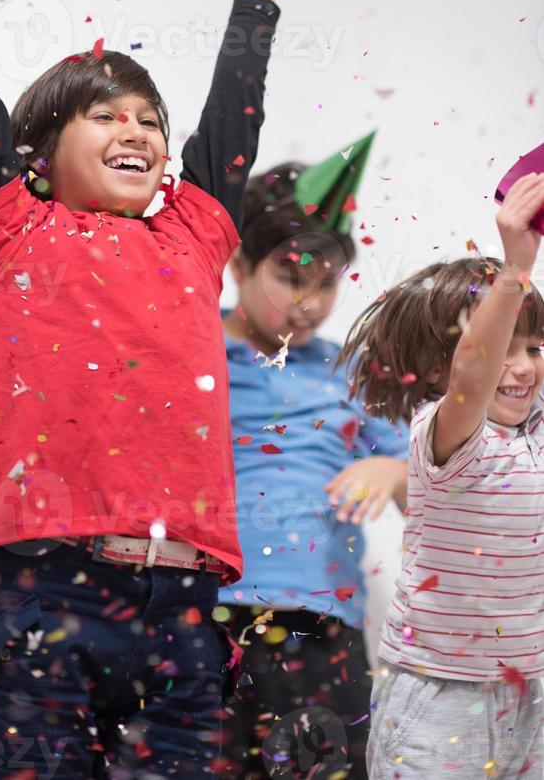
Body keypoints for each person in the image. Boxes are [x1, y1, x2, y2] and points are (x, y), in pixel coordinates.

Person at [0, 0, 335, 778]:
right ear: (38, 154)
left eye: (148, 119)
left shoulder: (195, 233)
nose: (136, 129)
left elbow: (234, 116)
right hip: (43, 596)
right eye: (104, 115)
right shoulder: (11, 224)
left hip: (180, 610)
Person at [339, 172, 544, 779]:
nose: (521, 367)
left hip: (528, 692)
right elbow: (472, 378)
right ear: (433, 367)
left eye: (533, 348)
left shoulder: (536, 431)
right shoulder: (446, 432)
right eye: (506, 345)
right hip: (440, 698)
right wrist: (516, 269)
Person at [218, 154, 409, 779]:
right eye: (290, 275)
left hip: (321, 630)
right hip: (208, 613)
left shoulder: (350, 372)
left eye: (327, 283)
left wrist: (392, 473)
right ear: (239, 264)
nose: (309, 301)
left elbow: (428, 473)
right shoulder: (194, 352)